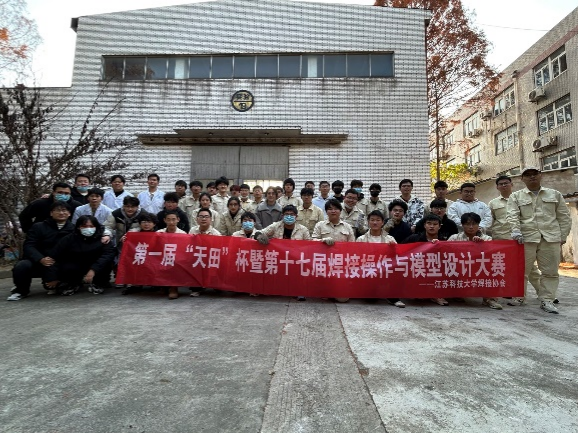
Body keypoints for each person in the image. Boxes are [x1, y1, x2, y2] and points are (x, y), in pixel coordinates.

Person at [506, 166, 572, 314]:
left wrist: (563, 236)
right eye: (528, 175)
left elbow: (564, 216)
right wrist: (516, 231)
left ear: (540, 175)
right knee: (521, 270)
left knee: (550, 272)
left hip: (550, 238)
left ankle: (547, 300)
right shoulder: (516, 196)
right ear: (522, 179)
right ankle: (519, 297)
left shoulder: (554, 194)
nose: (532, 177)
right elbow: (512, 215)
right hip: (525, 238)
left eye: (535, 174)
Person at [7, 202, 75, 300]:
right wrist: (40, 259)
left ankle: (62, 284)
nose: (61, 213)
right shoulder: (38, 227)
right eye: (57, 210)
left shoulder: (73, 229)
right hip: (39, 260)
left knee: (72, 266)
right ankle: (21, 291)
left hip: (61, 261)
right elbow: (29, 245)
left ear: (69, 213)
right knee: (22, 266)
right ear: (51, 213)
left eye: (64, 210)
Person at [489, 175, 541, 303]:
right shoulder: (493, 203)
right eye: (501, 184)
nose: (504, 185)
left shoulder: (521, 199)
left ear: (511, 184)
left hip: (521, 239)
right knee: (503, 267)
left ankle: (543, 293)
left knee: (529, 268)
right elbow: (491, 222)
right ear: (497, 187)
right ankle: (510, 292)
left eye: (506, 183)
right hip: (501, 239)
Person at [47, 215, 116, 296]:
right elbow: (53, 256)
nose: (88, 228)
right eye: (84, 226)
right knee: (65, 267)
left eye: (91, 226)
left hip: (96, 266)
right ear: (78, 227)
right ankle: (73, 283)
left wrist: (93, 270)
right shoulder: (69, 239)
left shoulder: (103, 239)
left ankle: (98, 283)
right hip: (76, 265)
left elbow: (108, 254)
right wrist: (52, 277)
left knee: (106, 263)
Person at [448, 213, 502, 310]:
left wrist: (481, 245)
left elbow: (493, 255)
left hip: (479, 268)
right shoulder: (454, 238)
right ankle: (456, 294)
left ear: (478, 224)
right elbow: (445, 251)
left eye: (474, 224)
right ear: (462, 225)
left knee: (495, 269)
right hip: (460, 267)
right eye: (467, 224)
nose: (471, 227)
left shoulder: (487, 239)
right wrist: (436, 243)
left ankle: (489, 298)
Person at [312, 199, 356, 303]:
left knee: (343, 299)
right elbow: (313, 240)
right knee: (323, 295)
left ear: (340, 211)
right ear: (326, 211)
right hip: (324, 262)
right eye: (330, 209)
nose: (333, 211)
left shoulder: (347, 227)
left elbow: (352, 245)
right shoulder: (320, 225)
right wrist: (322, 240)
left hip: (341, 263)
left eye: (336, 209)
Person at [356, 210, 403, 308]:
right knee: (371, 299)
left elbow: (398, 257)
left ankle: (393, 297)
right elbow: (356, 257)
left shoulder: (390, 239)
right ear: (368, 222)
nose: (375, 222)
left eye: (378, 220)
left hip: (385, 270)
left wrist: (393, 249)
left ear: (382, 222)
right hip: (368, 270)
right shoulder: (361, 239)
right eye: (372, 220)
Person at [404, 214, 450, 306]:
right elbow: (402, 250)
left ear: (439, 226)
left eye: (435, 224)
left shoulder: (444, 241)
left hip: (436, 268)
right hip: (417, 267)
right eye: (429, 223)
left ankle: (436, 295)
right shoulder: (414, 238)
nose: (432, 226)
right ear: (425, 225)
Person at [189, 207, 222, 297]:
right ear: (197, 219)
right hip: (197, 257)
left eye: (206, 217)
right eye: (201, 216)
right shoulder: (192, 230)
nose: (203, 219)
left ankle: (214, 284)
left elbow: (218, 251)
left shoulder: (216, 234)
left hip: (210, 259)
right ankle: (196, 288)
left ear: (211, 219)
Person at [157, 210, 187, 298]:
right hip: (162, 257)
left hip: (177, 258)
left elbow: (184, 251)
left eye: (173, 219)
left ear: (178, 220)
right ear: (164, 220)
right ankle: (163, 285)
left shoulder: (183, 234)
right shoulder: (159, 233)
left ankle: (173, 287)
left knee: (176, 263)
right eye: (168, 219)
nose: (171, 222)